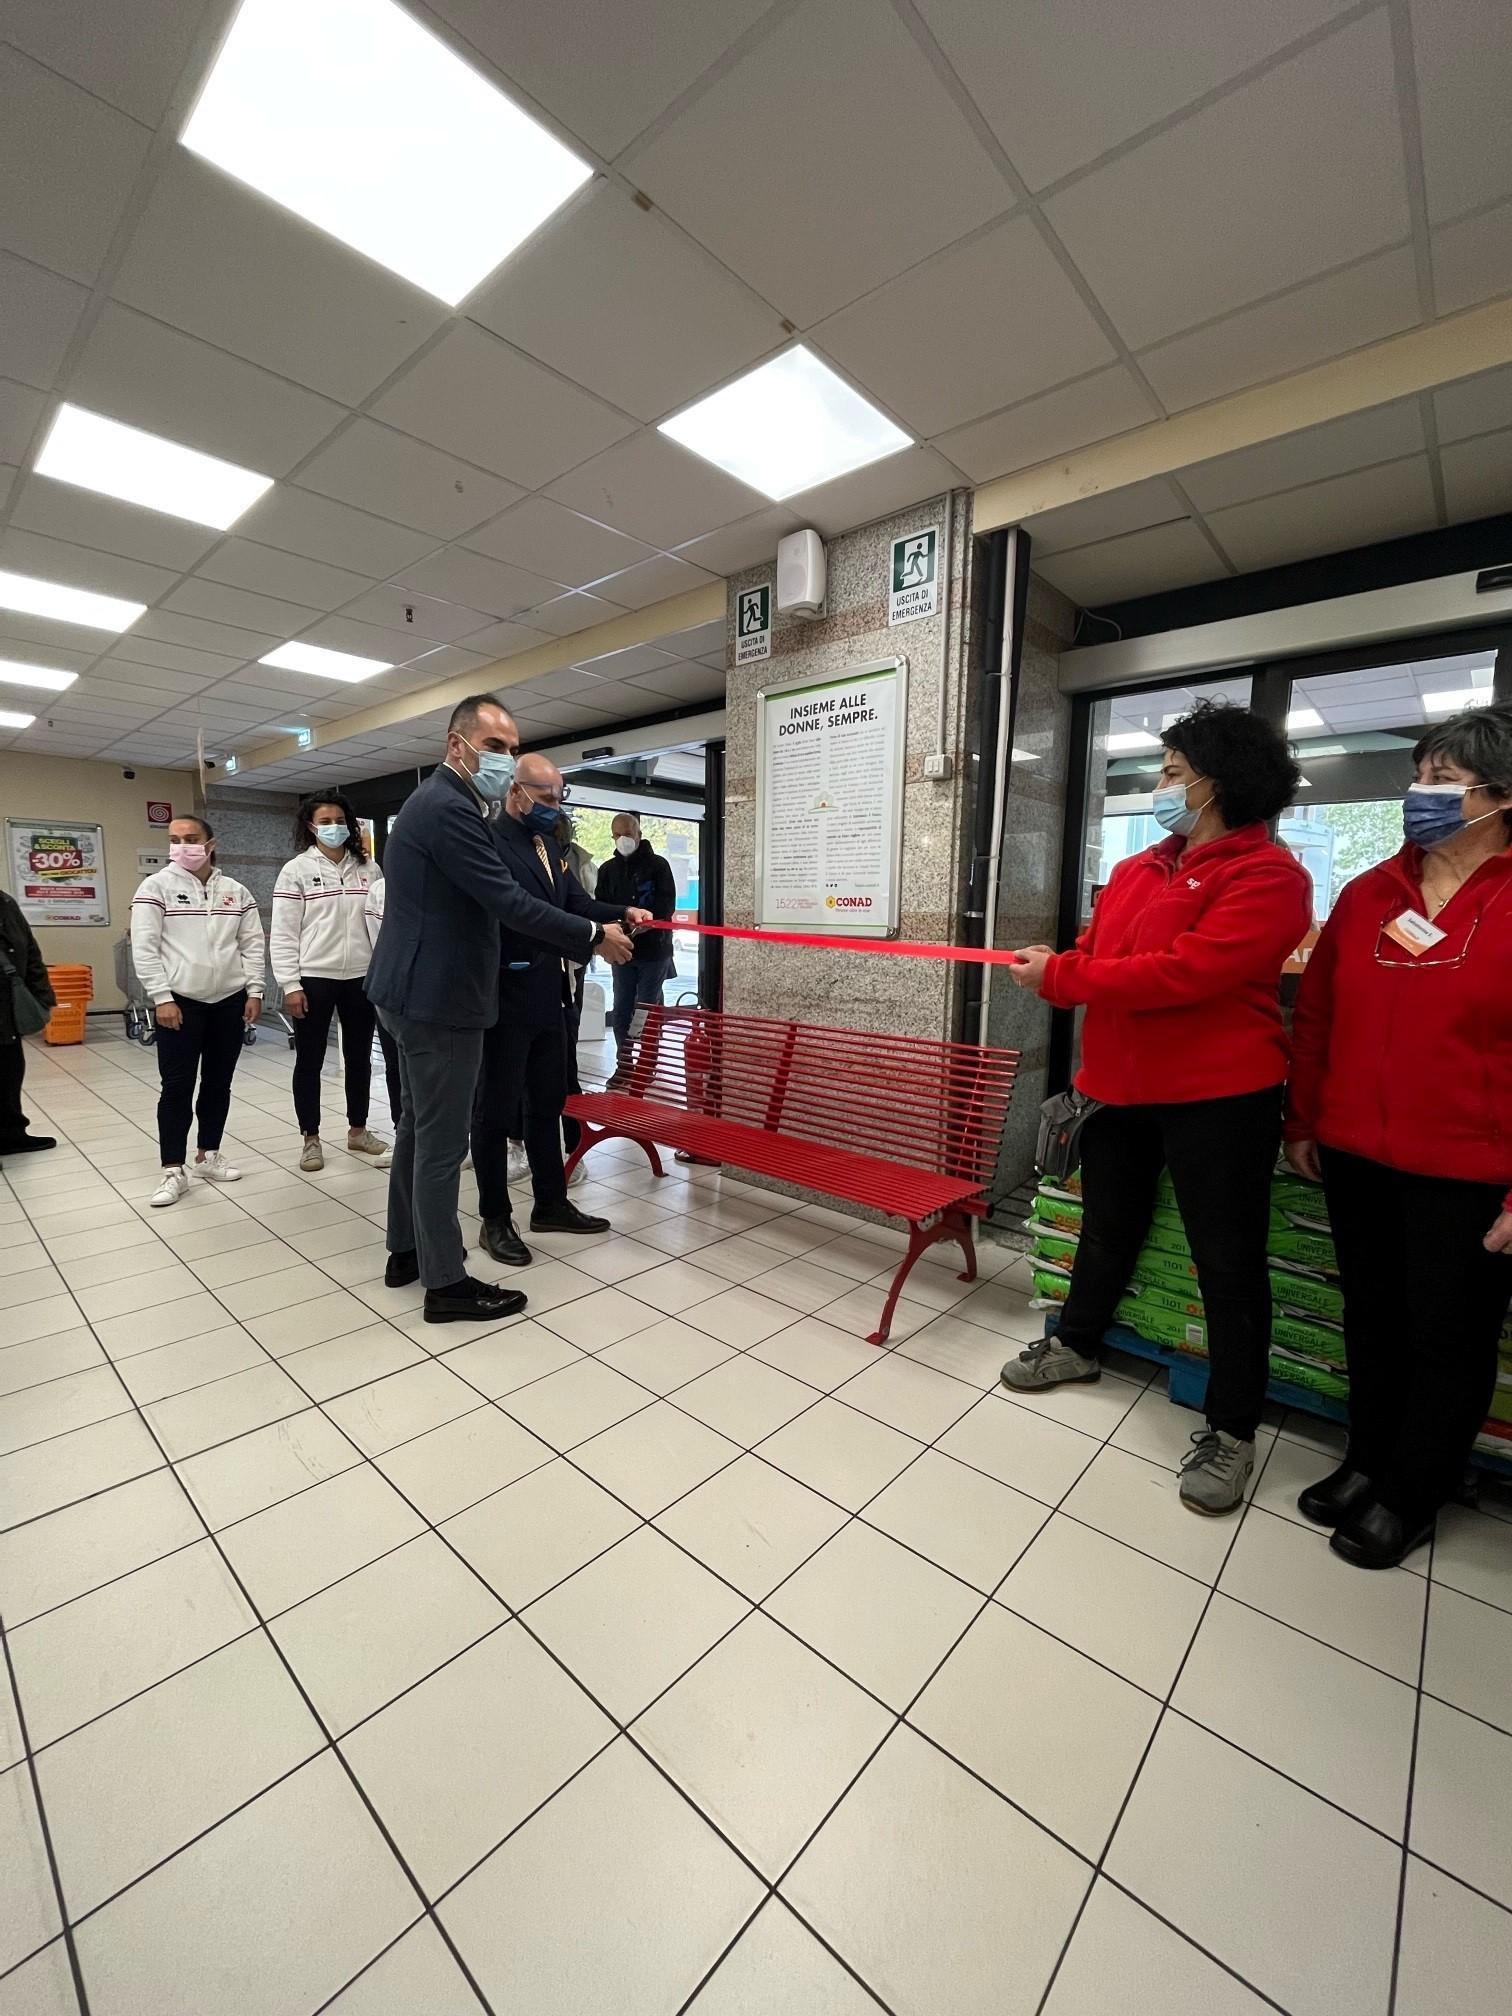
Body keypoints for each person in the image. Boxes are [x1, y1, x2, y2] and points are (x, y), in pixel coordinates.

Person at [1001, 701, 1312, 1515]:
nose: (1161, 784)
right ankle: (1076, 1343)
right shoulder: (1143, 869)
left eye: (1174, 772)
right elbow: (1107, 957)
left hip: (1220, 1098)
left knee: (1228, 1261)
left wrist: (1065, 980)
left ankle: (1234, 1428)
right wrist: (1062, 961)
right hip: (1119, 1086)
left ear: (1219, 781)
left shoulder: (1271, 877)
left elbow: (1185, 973)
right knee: (1108, 1225)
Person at [1285, 701, 1512, 1569]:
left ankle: (1415, 1492)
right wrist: (1304, 1119)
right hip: (1356, 1154)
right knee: (1372, 1320)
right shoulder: (1372, 892)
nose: (1421, 793)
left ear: (1500, 797)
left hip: (1467, 1170)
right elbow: (1319, 1017)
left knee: (1446, 1338)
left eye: (1444, 782)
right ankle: (1368, 1462)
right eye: (1419, 776)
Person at [364, 694, 636, 1324]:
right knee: (438, 1143)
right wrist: (594, 936)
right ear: (455, 744)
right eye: (494, 746)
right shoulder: (450, 808)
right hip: (440, 1000)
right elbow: (509, 901)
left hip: (412, 993)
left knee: (415, 1129)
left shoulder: (440, 805)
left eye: (511, 748)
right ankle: (446, 1285)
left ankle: (405, 1252)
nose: (504, 758)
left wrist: (596, 922)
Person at [471, 757, 650, 1267]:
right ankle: (495, 1218)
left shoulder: (548, 844)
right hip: (504, 995)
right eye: (546, 798)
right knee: (495, 1110)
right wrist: (595, 940)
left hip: (551, 992)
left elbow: (572, 902)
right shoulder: (489, 841)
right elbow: (519, 914)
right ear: (516, 792)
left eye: (559, 798)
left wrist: (620, 913)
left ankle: (550, 1202)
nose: (554, 808)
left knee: (548, 1101)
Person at [130, 814, 265, 1209]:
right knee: (176, 1087)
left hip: (229, 1001)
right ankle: (173, 1169)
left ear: (210, 843)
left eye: (190, 838)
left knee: (218, 1083)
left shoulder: (236, 892)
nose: (182, 846)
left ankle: (207, 1154)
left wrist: (254, 990)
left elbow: (252, 946)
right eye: (174, 839)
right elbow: (145, 947)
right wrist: (161, 997)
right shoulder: (155, 888)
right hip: (181, 1003)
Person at [271, 790, 389, 1173]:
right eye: (324, 821)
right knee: (310, 1060)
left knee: (359, 1059)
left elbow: (382, 922)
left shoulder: (369, 869)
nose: (333, 827)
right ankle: (311, 1138)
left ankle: (358, 1129)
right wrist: (290, 984)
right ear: (310, 826)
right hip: (314, 978)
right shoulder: (296, 870)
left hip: (362, 977)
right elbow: (284, 933)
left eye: (339, 820)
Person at [596, 812, 676, 1081]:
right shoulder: (607, 870)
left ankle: (647, 1064)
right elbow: (600, 907)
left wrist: (641, 924)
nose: (622, 840)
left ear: (639, 835)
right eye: (617, 835)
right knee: (621, 1009)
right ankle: (625, 1064)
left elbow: (666, 908)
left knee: (646, 1009)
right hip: (622, 952)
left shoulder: (658, 866)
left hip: (655, 952)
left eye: (627, 834)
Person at [0, 887, 57, 1159]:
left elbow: (30, 949)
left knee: (10, 1071)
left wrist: (43, 996)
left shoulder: (5, 902)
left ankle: (12, 1136)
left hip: (6, 1007)